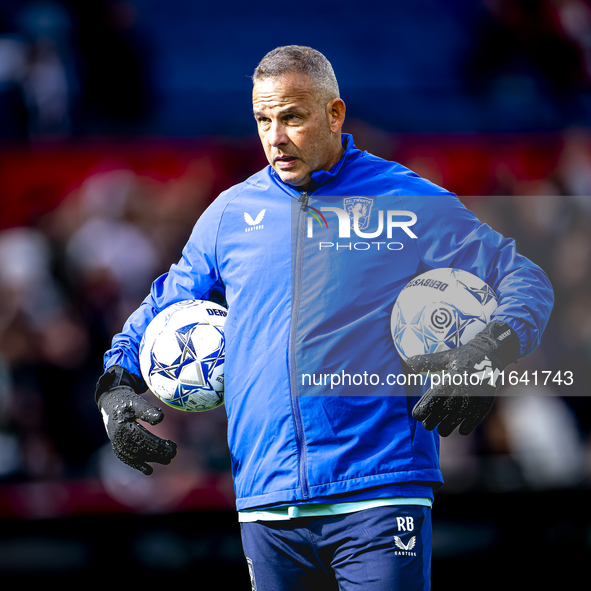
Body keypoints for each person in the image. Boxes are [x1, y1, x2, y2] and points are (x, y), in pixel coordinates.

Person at [95, 45, 554, 590]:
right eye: (263, 120)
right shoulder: (228, 215)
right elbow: (159, 308)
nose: (275, 137)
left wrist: (485, 352)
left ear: (334, 114)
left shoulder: (404, 199)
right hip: (266, 502)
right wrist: (116, 387)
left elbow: (523, 279)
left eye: (291, 117)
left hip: (379, 492)